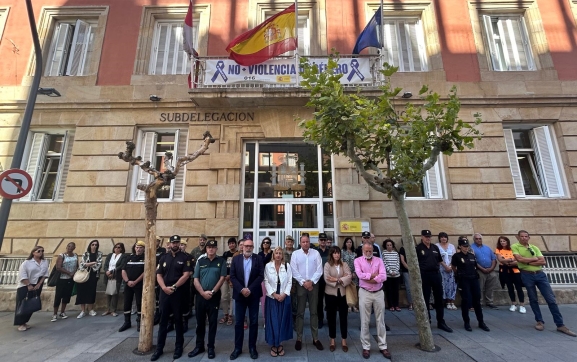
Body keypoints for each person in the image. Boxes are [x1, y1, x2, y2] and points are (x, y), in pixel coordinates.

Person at [512, 230, 576, 336]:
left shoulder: (534, 247)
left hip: (540, 274)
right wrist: (533, 259)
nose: (524, 238)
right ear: (518, 237)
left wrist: (526, 260)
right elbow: (519, 259)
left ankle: (560, 325)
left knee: (551, 299)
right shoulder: (515, 246)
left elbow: (543, 261)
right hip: (527, 275)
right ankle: (539, 321)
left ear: (529, 237)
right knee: (533, 299)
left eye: (526, 236)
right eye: (522, 236)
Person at [151, 235, 192, 361]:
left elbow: (186, 275)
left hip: (178, 293)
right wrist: (164, 288)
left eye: (177, 242)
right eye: (173, 242)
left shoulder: (185, 258)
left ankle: (178, 347)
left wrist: (173, 287)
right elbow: (158, 274)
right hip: (164, 293)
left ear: (179, 244)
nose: (175, 244)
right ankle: (159, 348)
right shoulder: (163, 257)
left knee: (178, 321)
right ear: (169, 244)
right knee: (163, 321)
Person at [189, 239, 227, 359]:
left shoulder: (221, 261)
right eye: (209, 247)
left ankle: (211, 347)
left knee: (212, 323)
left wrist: (212, 292)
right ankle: (199, 346)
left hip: (214, 297)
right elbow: (195, 279)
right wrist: (202, 292)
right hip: (200, 297)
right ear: (206, 249)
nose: (211, 249)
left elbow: (222, 278)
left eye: (213, 247)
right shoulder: (201, 261)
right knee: (200, 323)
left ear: (216, 249)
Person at [355, 242, 391, 360]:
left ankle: (383, 346)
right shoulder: (358, 261)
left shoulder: (379, 260)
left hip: (378, 293)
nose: (369, 253)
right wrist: (374, 276)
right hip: (365, 293)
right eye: (366, 251)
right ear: (362, 251)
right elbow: (360, 275)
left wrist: (370, 278)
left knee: (380, 320)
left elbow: (384, 276)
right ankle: (366, 347)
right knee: (364, 321)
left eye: (370, 251)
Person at [229, 238, 264, 360]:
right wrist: (241, 289)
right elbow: (232, 276)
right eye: (246, 246)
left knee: (254, 322)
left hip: (253, 295)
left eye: (251, 246)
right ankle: (237, 348)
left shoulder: (258, 258)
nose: (248, 248)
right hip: (240, 295)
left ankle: (252, 348)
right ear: (242, 247)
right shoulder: (236, 259)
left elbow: (261, 275)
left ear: (253, 248)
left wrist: (249, 289)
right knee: (239, 323)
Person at [290, 234, 324, 351]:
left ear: (310, 242)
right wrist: (304, 282)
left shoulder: (316, 253)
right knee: (300, 312)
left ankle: (315, 339)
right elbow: (294, 270)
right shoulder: (295, 254)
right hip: (301, 286)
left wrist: (312, 282)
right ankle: (299, 338)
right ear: (300, 243)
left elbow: (320, 270)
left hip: (313, 286)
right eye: (303, 242)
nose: (305, 243)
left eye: (307, 241)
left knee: (314, 312)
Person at [416, 230, 453, 333]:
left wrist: (446, 267)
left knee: (439, 299)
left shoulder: (435, 247)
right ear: (422, 237)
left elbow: (440, 260)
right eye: (426, 236)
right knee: (426, 299)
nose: (428, 238)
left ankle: (441, 321)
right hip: (425, 275)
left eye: (429, 236)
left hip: (436, 274)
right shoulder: (418, 248)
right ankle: (427, 321)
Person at [451, 237, 490, 332]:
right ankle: (466, 322)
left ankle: (481, 322)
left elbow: (475, 266)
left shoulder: (471, 256)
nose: (466, 248)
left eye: (467, 246)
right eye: (464, 246)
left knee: (477, 300)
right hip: (464, 280)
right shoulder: (456, 256)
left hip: (473, 279)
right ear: (460, 246)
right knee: (466, 300)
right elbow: (453, 267)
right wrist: (459, 274)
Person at [264, 247, 293, 357]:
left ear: (282, 255)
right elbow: (266, 281)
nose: (278, 255)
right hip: (272, 297)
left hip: (284, 296)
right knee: (273, 321)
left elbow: (290, 280)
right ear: (273, 255)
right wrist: (274, 294)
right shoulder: (268, 266)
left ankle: (280, 344)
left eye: (280, 253)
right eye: (276, 253)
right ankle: (273, 344)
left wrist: (284, 294)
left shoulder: (287, 266)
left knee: (282, 320)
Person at [15, 246, 49, 331]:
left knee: (31, 304)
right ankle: (20, 323)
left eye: (42, 251)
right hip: (25, 285)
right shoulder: (27, 263)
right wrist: (28, 285)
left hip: (37, 285)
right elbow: (22, 275)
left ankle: (25, 321)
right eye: (38, 251)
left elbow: (45, 274)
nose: (41, 252)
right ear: (33, 252)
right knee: (22, 304)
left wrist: (39, 284)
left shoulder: (44, 262)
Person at [324, 246, 351, 353]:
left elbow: (349, 277)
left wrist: (336, 279)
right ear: (331, 254)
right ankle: (332, 340)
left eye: (338, 253)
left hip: (343, 294)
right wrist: (340, 279)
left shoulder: (344, 264)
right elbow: (326, 278)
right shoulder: (327, 265)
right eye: (335, 253)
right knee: (331, 318)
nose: (337, 255)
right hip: (330, 294)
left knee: (343, 317)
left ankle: (344, 340)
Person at [119, 240, 145, 332]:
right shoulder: (128, 257)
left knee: (139, 303)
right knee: (127, 302)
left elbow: (145, 272)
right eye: (137, 247)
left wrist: (135, 281)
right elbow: (123, 270)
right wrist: (127, 281)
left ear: (144, 249)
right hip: (128, 284)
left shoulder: (145, 258)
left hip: (139, 284)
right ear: (135, 248)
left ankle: (139, 322)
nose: (139, 249)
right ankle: (127, 322)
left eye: (141, 247)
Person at [495, 236, 526, 313]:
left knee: (519, 288)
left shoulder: (513, 249)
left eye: (504, 241)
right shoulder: (498, 249)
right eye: (501, 241)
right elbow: (500, 260)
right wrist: (511, 259)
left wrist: (508, 260)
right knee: (510, 288)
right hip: (506, 271)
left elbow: (518, 259)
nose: (502, 242)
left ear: (507, 242)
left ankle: (522, 305)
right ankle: (513, 304)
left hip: (515, 271)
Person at [471, 233, 499, 309]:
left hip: (490, 270)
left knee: (490, 287)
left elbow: (493, 259)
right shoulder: (471, 248)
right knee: (479, 287)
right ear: (474, 239)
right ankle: (479, 302)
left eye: (480, 238)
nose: (478, 240)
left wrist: (492, 268)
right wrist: (482, 269)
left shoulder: (487, 248)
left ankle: (489, 302)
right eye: (476, 239)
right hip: (479, 270)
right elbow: (473, 260)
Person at [52, 242, 79, 322]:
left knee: (66, 296)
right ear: (66, 247)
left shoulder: (75, 255)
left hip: (70, 279)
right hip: (62, 279)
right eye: (69, 246)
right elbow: (58, 267)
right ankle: (54, 314)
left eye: (72, 247)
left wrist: (75, 273)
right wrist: (69, 273)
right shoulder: (62, 256)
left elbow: (77, 265)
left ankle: (62, 312)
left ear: (74, 248)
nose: (70, 248)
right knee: (58, 296)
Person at [76, 240, 103, 318]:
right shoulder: (86, 253)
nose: (94, 246)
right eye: (93, 244)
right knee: (82, 292)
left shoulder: (99, 254)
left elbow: (98, 265)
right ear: (90, 245)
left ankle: (91, 309)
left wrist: (88, 264)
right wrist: (92, 263)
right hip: (83, 275)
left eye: (96, 245)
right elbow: (81, 265)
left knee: (91, 292)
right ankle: (83, 311)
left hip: (93, 276)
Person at [102, 242, 127, 317]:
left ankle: (113, 310)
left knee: (115, 293)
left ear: (121, 249)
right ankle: (108, 309)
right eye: (116, 247)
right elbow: (106, 264)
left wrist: (112, 271)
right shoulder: (110, 255)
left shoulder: (123, 256)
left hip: (116, 276)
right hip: (108, 276)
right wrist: (107, 271)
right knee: (108, 293)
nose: (117, 248)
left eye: (119, 247)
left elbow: (121, 266)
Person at [437, 232, 457, 310]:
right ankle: (446, 302)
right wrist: (445, 266)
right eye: (442, 237)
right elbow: (438, 258)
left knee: (452, 285)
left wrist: (450, 266)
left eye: (445, 237)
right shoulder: (436, 246)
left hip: (451, 268)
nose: (443, 238)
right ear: (439, 238)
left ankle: (452, 301)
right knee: (443, 285)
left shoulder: (451, 246)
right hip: (441, 268)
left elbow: (454, 257)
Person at [220, 237, 237, 326]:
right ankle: (225, 314)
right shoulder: (225, 254)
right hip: (225, 278)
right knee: (223, 297)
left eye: (233, 243)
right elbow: (223, 265)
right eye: (230, 243)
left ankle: (230, 315)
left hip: (233, 278)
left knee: (232, 297)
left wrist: (230, 276)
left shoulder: (238, 254)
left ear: (235, 244)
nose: (231, 245)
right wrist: (225, 275)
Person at [315, 232, 330, 329]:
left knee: (329, 300)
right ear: (318, 241)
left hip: (329, 279)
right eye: (321, 240)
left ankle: (329, 319)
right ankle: (320, 319)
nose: (323, 242)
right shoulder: (315, 251)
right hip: (319, 279)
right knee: (319, 301)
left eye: (324, 240)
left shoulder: (330, 251)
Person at [382, 239, 401, 311]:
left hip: (396, 275)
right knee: (389, 290)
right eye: (388, 245)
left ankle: (396, 305)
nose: (389, 246)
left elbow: (398, 263)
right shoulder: (384, 253)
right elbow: (384, 263)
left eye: (390, 245)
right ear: (385, 246)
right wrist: (390, 271)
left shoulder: (396, 253)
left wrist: (395, 271)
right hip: (388, 275)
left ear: (392, 246)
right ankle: (391, 305)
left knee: (396, 290)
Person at [283, 235, 298, 322]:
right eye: (288, 241)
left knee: (294, 301)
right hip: (284, 280)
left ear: (293, 243)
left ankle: (294, 320)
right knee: (285, 300)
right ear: (285, 243)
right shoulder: (282, 252)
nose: (289, 243)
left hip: (294, 280)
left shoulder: (297, 252)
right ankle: (285, 320)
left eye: (291, 242)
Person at [258, 237, 273, 323]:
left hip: (271, 279)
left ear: (270, 244)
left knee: (272, 299)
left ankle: (272, 318)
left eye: (267, 242)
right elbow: (262, 262)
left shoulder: (273, 253)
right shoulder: (260, 254)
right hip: (263, 279)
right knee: (263, 300)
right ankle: (265, 320)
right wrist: (268, 255)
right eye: (264, 242)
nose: (265, 244)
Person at [341, 237, 358, 312]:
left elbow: (357, 263)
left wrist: (354, 272)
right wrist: (347, 274)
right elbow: (342, 263)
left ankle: (354, 305)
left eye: (350, 242)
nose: (349, 243)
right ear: (345, 243)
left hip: (354, 274)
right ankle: (348, 306)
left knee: (354, 290)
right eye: (347, 242)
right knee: (347, 290)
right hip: (346, 274)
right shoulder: (342, 252)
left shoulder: (354, 252)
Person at [154, 236, 166, 325]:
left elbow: (162, 262)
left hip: (159, 274)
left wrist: (157, 269)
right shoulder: (149, 250)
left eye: (157, 241)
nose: (155, 242)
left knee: (159, 294)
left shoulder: (162, 250)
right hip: (150, 276)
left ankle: (159, 313)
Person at [398, 241, 413, 310]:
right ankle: (410, 303)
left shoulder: (414, 248)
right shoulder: (402, 249)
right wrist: (409, 268)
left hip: (415, 271)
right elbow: (402, 261)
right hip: (406, 271)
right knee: (409, 287)